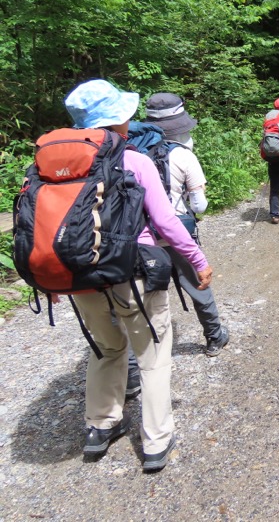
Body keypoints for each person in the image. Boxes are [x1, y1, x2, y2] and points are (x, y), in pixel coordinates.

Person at [63, 79, 213, 473]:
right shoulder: (134, 160)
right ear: (117, 121)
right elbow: (166, 223)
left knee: (107, 348)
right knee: (152, 355)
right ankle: (156, 441)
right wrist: (197, 261)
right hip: (132, 273)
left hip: (81, 278)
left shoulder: (58, 165)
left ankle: (99, 427)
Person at [143, 92, 230, 356]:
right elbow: (199, 205)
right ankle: (214, 337)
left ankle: (142, 353)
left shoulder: (133, 153)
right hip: (178, 232)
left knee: (146, 293)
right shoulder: (183, 156)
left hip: (143, 237)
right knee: (196, 283)